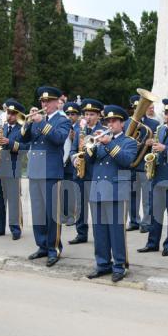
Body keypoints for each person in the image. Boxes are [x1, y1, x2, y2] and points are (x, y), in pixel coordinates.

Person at [85, 105, 138, 282]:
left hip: (116, 191)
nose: (110, 124)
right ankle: (102, 264)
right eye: (108, 121)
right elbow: (90, 161)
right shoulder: (100, 140)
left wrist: (109, 143)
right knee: (99, 231)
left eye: (114, 121)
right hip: (98, 189)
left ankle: (120, 265)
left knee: (116, 232)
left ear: (122, 123)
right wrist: (90, 146)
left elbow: (126, 161)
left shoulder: (128, 141)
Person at [21, 86, 71, 267]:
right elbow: (24, 140)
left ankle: (54, 248)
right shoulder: (36, 119)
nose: (44, 104)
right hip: (35, 170)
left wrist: (41, 122)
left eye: (48, 101)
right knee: (38, 212)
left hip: (51, 171)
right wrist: (27, 123)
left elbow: (58, 138)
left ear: (57, 102)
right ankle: (42, 245)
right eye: (42, 101)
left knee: (52, 213)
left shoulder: (62, 120)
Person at [138, 99, 168, 256]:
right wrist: (153, 145)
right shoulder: (160, 129)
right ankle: (152, 243)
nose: (167, 117)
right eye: (166, 113)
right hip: (158, 174)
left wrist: (165, 148)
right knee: (155, 211)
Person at [0, 99, 28, 240]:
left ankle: (15, 229)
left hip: (13, 167)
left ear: (18, 115)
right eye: (8, 113)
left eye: (13, 114)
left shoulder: (22, 129)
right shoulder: (2, 127)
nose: (9, 116)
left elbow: (26, 147)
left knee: (13, 200)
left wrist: (10, 143)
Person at [69, 98, 105, 245]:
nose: (88, 117)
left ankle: (100, 234)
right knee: (80, 205)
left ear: (98, 116)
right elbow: (72, 149)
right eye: (86, 114)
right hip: (80, 173)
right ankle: (81, 233)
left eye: (91, 114)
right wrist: (74, 159)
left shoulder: (102, 131)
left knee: (97, 207)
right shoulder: (79, 130)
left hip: (95, 173)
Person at [126, 94, 159, 233]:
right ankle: (134, 221)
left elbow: (157, 146)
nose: (137, 110)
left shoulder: (153, 124)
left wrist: (151, 144)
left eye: (139, 107)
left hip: (143, 164)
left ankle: (146, 222)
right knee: (131, 195)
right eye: (135, 108)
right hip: (128, 164)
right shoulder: (125, 123)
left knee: (147, 195)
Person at [61, 101, 81, 226]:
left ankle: (73, 215)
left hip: (73, 162)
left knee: (73, 191)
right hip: (62, 161)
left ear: (78, 115)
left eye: (73, 114)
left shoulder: (80, 128)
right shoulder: (63, 126)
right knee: (63, 190)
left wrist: (74, 138)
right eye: (67, 113)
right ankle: (64, 214)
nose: (70, 116)